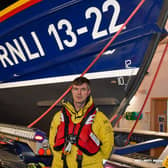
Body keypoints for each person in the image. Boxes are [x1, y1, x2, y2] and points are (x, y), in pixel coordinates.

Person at [49, 77, 114, 168]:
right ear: (72, 91)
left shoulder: (100, 118)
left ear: (88, 92)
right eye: (76, 89)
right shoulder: (58, 117)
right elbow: (52, 142)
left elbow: (107, 147)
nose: (79, 93)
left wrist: (95, 164)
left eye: (83, 89)